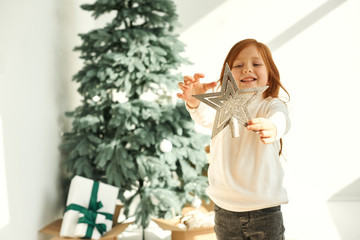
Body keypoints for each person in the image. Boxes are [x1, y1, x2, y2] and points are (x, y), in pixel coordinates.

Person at [177, 39, 291, 240]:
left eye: (256, 64)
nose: (247, 69)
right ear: (228, 75)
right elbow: (203, 116)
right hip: (225, 211)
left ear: (270, 73)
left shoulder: (269, 104)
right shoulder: (222, 106)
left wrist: (273, 127)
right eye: (239, 65)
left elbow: (281, 118)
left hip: (265, 211)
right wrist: (195, 100)